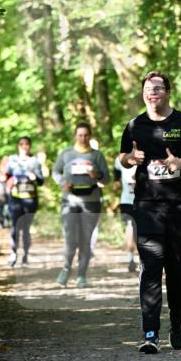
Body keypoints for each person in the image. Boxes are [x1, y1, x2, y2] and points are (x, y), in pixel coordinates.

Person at [119, 71, 181, 354]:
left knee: (175, 266)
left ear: (168, 92)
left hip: (180, 208)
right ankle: (150, 333)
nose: (152, 92)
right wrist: (130, 159)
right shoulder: (135, 125)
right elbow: (122, 157)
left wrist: (180, 162)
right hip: (146, 207)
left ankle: (177, 320)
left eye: (158, 88)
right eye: (148, 88)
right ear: (143, 93)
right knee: (151, 268)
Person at [52, 122, 110, 288]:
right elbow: (55, 171)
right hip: (69, 201)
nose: (83, 138)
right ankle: (65, 269)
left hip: (91, 200)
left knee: (85, 239)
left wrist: (96, 174)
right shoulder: (66, 153)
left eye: (86, 135)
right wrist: (63, 182)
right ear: (75, 136)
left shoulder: (97, 155)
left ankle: (81, 276)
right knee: (71, 238)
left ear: (90, 136)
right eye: (80, 135)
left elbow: (106, 179)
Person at [5, 138, 44, 265]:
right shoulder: (12, 160)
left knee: (26, 228)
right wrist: (11, 180)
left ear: (30, 146)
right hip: (15, 198)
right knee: (15, 226)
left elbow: (41, 181)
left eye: (27, 144)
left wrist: (35, 177)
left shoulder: (35, 161)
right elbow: (5, 176)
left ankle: (25, 256)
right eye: (21, 144)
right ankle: (13, 253)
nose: (24, 147)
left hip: (30, 199)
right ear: (18, 146)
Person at [113, 156, 138, 273]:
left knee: (131, 228)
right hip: (132, 201)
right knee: (135, 229)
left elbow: (116, 177)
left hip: (129, 201)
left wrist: (116, 183)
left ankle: (131, 259)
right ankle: (135, 259)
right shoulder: (147, 157)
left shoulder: (120, 159)